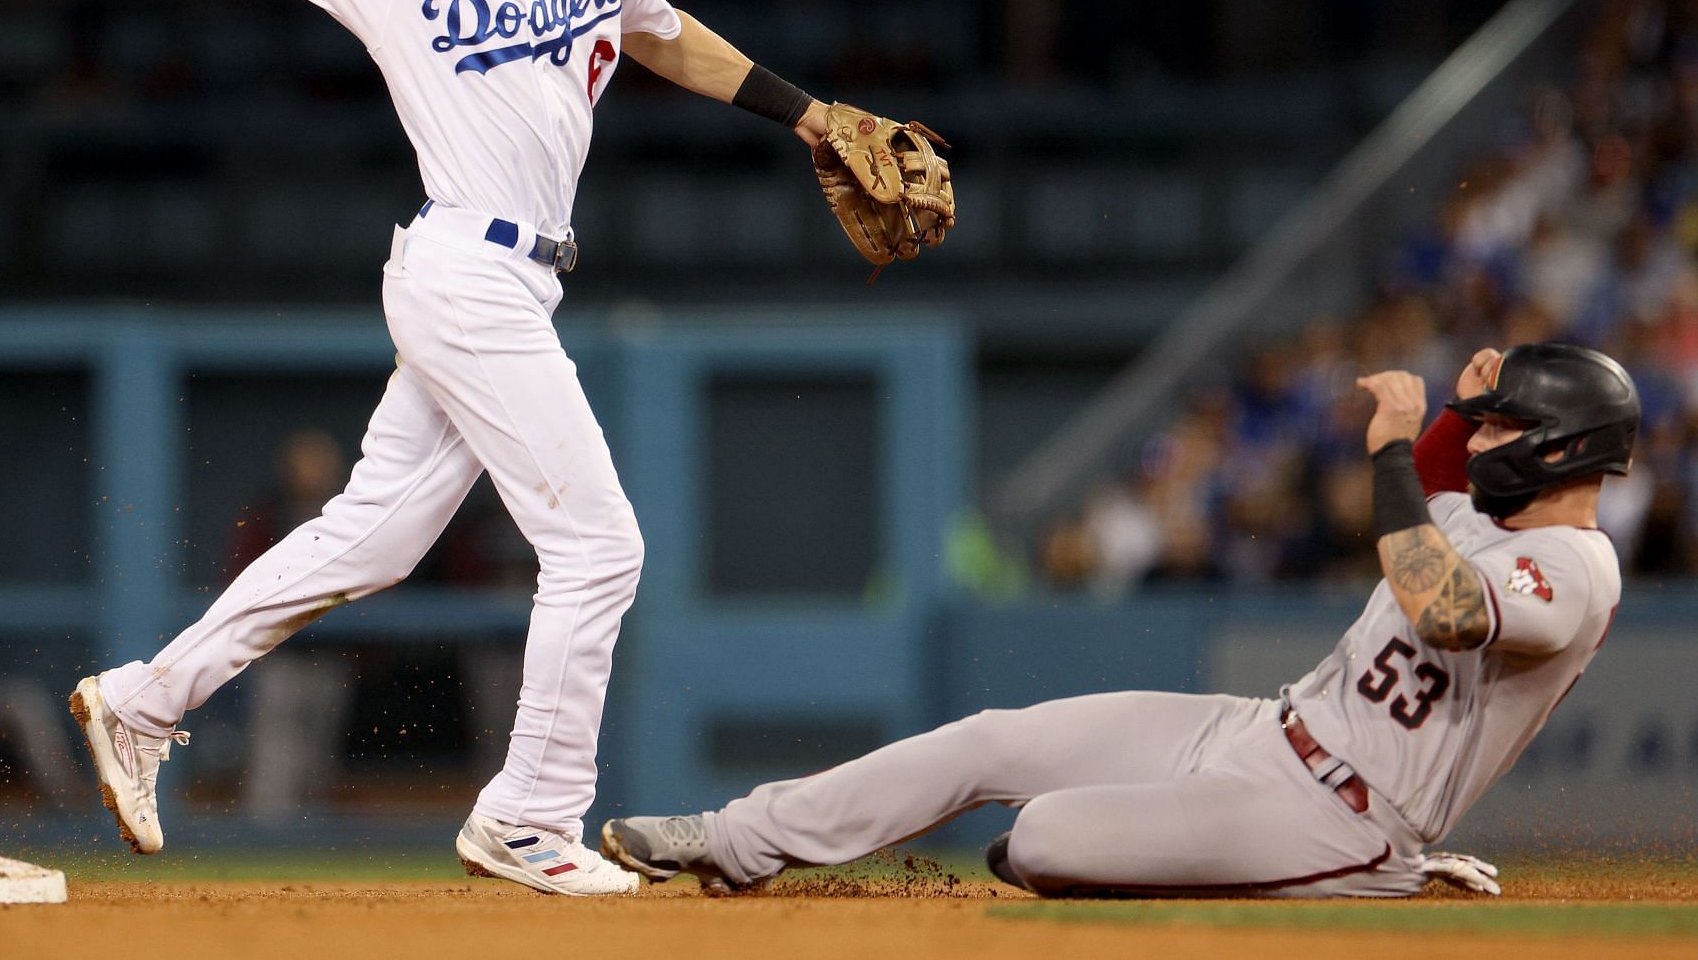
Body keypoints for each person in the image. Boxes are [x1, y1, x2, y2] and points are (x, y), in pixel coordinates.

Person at [68, 0, 863, 897]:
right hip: (463, 267)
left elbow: (667, 37)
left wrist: (808, 117)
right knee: (600, 548)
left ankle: (141, 702)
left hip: (520, 278)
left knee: (374, 538)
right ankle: (532, 817)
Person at [601, 343, 1632, 899]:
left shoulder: (1578, 568)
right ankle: (732, 838)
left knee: (1042, 841)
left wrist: (1395, 446)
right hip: (1258, 729)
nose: (1487, 438)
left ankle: (1397, 881)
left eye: (1508, 426)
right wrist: (1455, 415)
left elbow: (1445, 610)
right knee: (992, 739)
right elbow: (1434, 490)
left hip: (1346, 820)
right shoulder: (1477, 511)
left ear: (1560, 449)